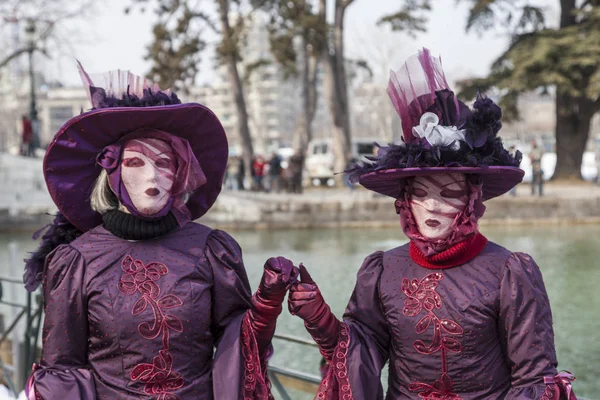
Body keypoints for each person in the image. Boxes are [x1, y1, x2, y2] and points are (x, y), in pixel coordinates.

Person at [287, 49, 577, 399]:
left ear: (472, 199)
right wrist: (319, 316)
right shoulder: (383, 269)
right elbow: (361, 352)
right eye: (420, 193)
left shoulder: (509, 272)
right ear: (405, 201)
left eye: (449, 192)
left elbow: (533, 378)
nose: (432, 206)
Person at [23, 64, 298, 399]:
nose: (152, 178)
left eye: (164, 163)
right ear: (112, 175)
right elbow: (63, 369)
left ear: (180, 174)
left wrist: (267, 303)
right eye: (136, 163)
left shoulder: (212, 250)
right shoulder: (78, 261)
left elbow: (238, 351)